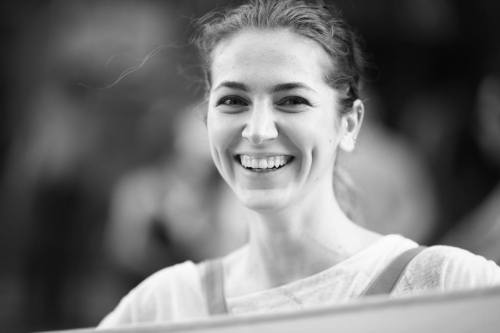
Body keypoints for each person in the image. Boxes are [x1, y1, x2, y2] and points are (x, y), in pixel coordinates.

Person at [98, 0, 500, 328]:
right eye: (233, 101)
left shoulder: (449, 285)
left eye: (292, 100)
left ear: (350, 122)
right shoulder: (165, 305)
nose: (257, 130)